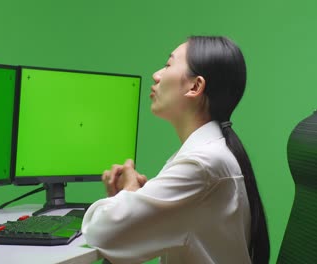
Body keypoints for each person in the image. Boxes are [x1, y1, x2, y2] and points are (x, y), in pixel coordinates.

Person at [81, 36, 270, 264]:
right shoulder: (208, 155)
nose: (157, 75)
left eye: (169, 65)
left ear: (195, 86)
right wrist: (133, 203)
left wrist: (129, 192)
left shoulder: (201, 165)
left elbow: (101, 233)